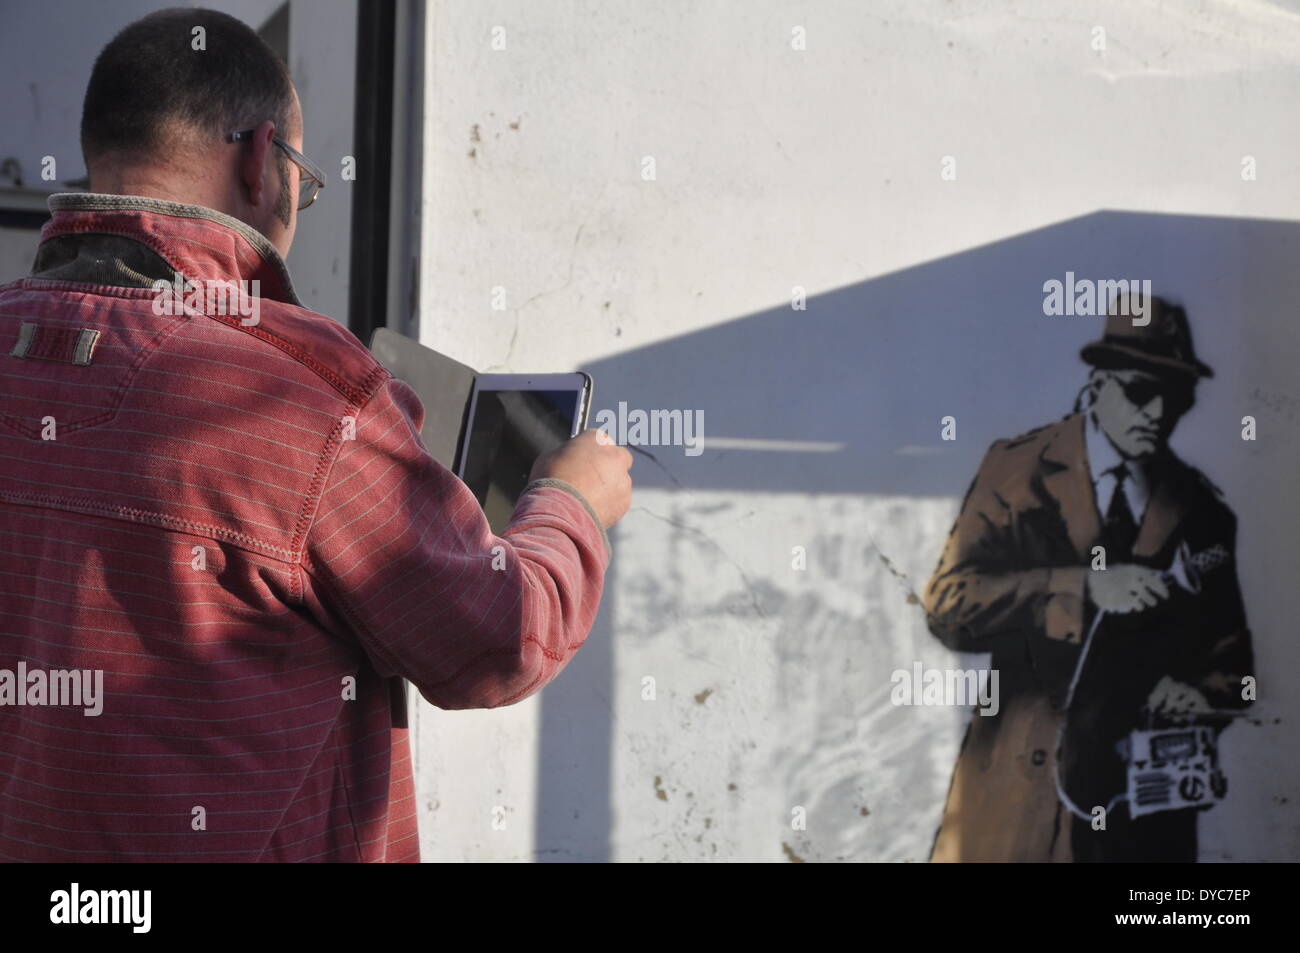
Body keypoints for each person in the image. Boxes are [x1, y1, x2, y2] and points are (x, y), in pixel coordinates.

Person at [0, 8, 632, 862]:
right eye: (303, 173)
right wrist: (572, 505)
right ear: (262, 161)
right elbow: (494, 638)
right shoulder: (297, 390)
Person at [923, 293, 1253, 862]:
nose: (1158, 413)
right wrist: (1083, 587)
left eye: (1177, 397)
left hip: (1139, 815)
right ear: (1099, 384)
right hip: (1020, 801)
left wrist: (1199, 693)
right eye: (1140, 391)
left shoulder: (1202, 511)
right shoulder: (1016, 471)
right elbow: (949, 606)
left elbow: (1233, 662)